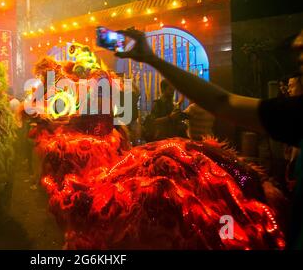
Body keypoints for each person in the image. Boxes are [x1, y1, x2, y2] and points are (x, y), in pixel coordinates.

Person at [115, 28, 303, 249]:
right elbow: (222, 102)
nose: (297, 42)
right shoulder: (296, 114)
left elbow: (221, 103)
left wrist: (153, 60)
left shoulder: (191, 110)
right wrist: (152, 60)